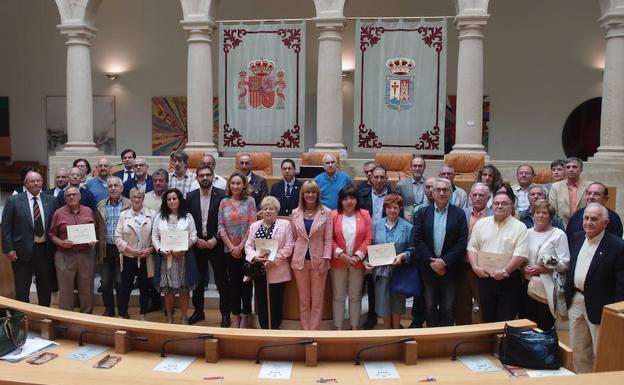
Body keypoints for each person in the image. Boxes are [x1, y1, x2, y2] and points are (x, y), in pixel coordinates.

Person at [564, 203, 624, 373]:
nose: (588, 222)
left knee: (603, 351)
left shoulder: (617, 246)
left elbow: (621, 284)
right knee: (579, 350)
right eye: (586, 218)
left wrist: (615, 313)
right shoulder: (576, 238)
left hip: (602, 306)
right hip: (575, 301)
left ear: (605, 223)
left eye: (594, 219)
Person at [413, 178, 468, 327]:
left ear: (450, 192)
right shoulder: (422, 213)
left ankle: (446, 339)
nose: (442, 193)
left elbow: (462, 242)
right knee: (429, 306)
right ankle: (433, 337)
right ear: (432, 192)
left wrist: (444, 262)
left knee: (448, 307)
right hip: (428, 269)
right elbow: (417, 239)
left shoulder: (459, 214)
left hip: (450, 269)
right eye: (438, 190)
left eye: (445, 190)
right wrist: (433, 263)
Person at [467, 191, 529, 322]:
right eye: (496, 203)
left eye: (504, 203)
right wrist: (474, 267)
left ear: (511, 207)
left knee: (506, 319)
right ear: (492, 206)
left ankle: (504, 343)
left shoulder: (520, 227)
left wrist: (505, 272)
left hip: (509, 280)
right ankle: (490, 343)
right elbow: (472, 247)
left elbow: (520, 255)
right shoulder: (481, 224)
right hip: (485, 278)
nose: (499, 206)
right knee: (487, 318)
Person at [1, 171, 58, 306]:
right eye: (32, 181)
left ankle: (44, 317)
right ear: (25, 184)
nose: (36, 183)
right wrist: (9, 249)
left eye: (38, 180)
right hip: (21, 251)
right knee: (22, 289)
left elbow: (55, 226)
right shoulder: (13, 201)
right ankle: (22, 319)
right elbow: (6, 228)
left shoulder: (51, 200)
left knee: (45, 287)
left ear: (42, 182)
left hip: (44, 250)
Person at [187, 165, 229, 327]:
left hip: (216, 244)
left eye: (208, 175)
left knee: (221, 281)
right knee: (198, 282)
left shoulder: (222, 196)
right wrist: (195, 238)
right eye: (201, 175)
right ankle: (198, 312)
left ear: (213, 177)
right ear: (197, 178)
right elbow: (187, 221)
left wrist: (215, 238)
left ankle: (225, 315)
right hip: (197, 244)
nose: (205, 178)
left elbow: (225, 221)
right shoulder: (190, 197)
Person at [245, 196, 295, 329]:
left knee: (276, 302)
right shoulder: (255, 226)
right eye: (265, 208)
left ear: (277, 211)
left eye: (271, 209)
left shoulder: (285, 225)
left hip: (277, 270)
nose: (268, 211)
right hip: (259, 270)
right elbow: (248, 246)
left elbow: (289, 246)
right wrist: (255, 257)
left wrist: (273, 260)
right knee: (261, 301)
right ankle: (264, 329)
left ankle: (275, 329)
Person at [365, 194, 414, 329]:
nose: (392, 210)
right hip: (381, 272)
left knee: (397, 305)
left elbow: (412, 249)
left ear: (400, 209)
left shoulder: (408, 227)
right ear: (385, 209)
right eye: (389, 207)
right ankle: (386, 332)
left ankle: (397, 331)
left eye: (395, 207)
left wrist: (403, 256)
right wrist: (366, 261)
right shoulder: (375, 226)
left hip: (399, 272)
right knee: (383, 305)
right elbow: (369, 247)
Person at [521, 199, 569, 331]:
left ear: (551, 216)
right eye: (537, 212)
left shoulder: (558, 235)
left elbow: (565, 263)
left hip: (546, 285)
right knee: (527, 323)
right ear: (533, 214)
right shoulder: (527, 233)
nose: (540, 216)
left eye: (545, 213)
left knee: (544, 324)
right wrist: (523, 267)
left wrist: (542, 268)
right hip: (526, 283)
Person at [152, 188, 198, 324]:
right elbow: (154, 236)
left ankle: (184, 316)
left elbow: (194, 236)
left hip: (183, 258)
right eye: (169, 199)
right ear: (166, 202)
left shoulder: (188, 217)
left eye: (174, 198)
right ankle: (170, 317)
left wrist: (185, 248)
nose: (172, 201)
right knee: (168, 290)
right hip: (166, 259)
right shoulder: (159, 217)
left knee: (184, 289)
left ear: (179, 200)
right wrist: (160, 249)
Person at [291, 180, 333, 330]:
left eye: (313, 192)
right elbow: (295, 237)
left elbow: (328, 240)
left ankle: (314, 332)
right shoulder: (295, 213)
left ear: (317, 194)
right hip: (299, 262)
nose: (310, 195)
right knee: (303, 300)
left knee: (317, 300)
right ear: (303, 194)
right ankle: (305, 331)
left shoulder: (326, 212)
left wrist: (325, 259)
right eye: (307, 192)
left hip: (319, 261)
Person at [48, 187, 97, 312]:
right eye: (68, 195)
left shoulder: (88, 211)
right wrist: (61, 242)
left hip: (86, 253)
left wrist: (93, 240)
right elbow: (51, 234)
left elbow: (94, 230)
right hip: (64, 254)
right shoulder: (58, 213)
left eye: (74, 194)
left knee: (86, 287)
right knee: (65, 289)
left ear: (79, 196)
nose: (71, 197)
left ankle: (86, 316)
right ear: (64, 198)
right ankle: (66, 317)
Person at [218, 171, 257, 328]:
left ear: (244, 185)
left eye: (238, 183)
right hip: (229, 251)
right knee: (233, 284)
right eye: (232, 183)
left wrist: (241, 246)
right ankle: (236, 315)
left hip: (246, 250)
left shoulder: (250, 201)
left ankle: (246, 315)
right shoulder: (224, 202)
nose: (235, 186)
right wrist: (231, 247)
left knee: (246, 283)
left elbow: (252, 225)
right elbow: (221, 227)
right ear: (229, 185)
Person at [331, 185, 372, 330]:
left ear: (356, 200)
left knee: (355, 296)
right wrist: (341, 254)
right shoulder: (334, 215)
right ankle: (338, 328)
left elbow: (368, 238)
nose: (349, 201)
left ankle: (354, 327)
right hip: (338, 261)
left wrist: (357, 256)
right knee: (339, 296)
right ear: (341, 201)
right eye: (345, 198)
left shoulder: (365, 214)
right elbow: (329, 238)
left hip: (357, 262)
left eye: (352, 198)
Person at [357, 165, 393, 328]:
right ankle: (371, 315)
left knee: (386, 281)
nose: (379, 180)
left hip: (386, 241)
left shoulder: (393, 196)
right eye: (376, 177)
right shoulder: (362, 195)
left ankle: (389, 318)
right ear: (370, 179)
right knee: (370, 281)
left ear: (386, 178)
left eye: (382, 177)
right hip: (367, 241)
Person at [114, 188, 156, 320]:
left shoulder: (152, 214)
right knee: (125, 287)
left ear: (143, 199)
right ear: (130, 199)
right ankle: (122, 313)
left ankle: (143, 314)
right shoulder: (123, 215)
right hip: (128, 257)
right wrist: (130, 250)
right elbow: (117, 237)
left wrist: (150, 249)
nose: (137, 199)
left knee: (145, 287)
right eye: (134, 197)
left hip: (145, 257)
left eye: (139, 197)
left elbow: (157, 236)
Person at [456, 182, 492, 325]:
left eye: (481, 195)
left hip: (482, 268)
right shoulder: (461, 213)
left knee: (483, 303)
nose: (477, 198)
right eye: (474, 195)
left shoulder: (493, 215)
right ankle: (462, 336)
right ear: (470, 196)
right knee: (461, 305)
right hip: (462, 266)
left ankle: (482, 337)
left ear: (488, 197)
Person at [95, 176, 130, 316]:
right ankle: (109, 310)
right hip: (105, 248)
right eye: (110, 186)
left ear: (121, 188)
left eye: (116, 185)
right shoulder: (101, 205)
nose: (113, 188)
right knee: (105, 282)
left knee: (121, 282)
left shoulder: (129, 204)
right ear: (107, 189)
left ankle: (122, 311)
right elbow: (95, 227)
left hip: (122, 249)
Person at [548, 157, 592, 226]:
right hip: (562, 225)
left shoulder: (590, 186)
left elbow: (592, 207)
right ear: (565, 170)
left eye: (574, 167)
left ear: (581, 169)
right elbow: (553, 210)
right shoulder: (555, 187)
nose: (571, 169)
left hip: (584, 225)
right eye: (568, 167)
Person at [396, 156, 427, 221]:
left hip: (426, 220)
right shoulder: (401, 185)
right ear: (410, 168)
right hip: (408, 221)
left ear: (424, 168)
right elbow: (397, 206)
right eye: (415, 166)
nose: (417, 168)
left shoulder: (430, 184)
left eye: (420, 166)